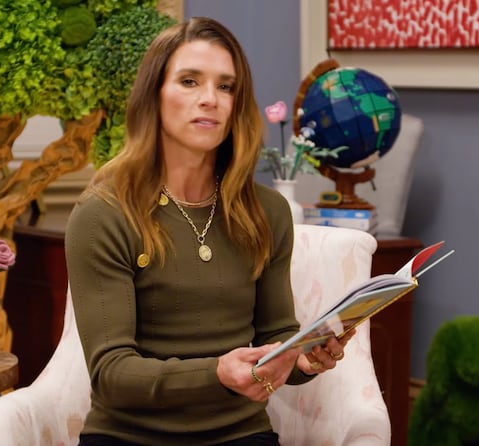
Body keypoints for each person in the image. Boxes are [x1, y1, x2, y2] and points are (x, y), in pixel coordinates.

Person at [65, 16, 354, 446]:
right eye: (189, 81)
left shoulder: (267, 212)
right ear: (154, 95)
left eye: (226, 86)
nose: (210, 100)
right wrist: (216, 373)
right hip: (130, 437)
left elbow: (275, 336)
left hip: (241, 435)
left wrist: (301, 360)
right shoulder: (103, 214)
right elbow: (111, 374)